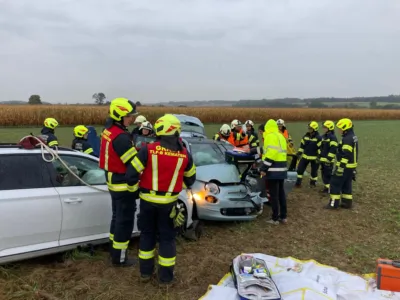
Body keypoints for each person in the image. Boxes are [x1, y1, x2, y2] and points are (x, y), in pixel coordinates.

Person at [126, 114, 196, 284]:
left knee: (147, 235)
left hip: (147, 203)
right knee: (167, 239)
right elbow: (191, 179)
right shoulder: (184, 154)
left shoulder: (148, 149)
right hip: (170, 205)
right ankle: (165, 278)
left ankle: (145, 274)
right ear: (175, 131)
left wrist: (134, 191)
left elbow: (131, 175)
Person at [99, 97, 139, 267]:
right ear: (119, 116)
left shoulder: (109, 130)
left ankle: (113, 251)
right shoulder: (121, 137)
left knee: (117, 218)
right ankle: (120, 258)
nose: (133, 118)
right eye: (130, 115)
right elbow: (134, 163)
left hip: (113, 181)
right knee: (125, 221)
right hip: (123, 185)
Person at [259, 119, 288, 225]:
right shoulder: (280, 136)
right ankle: (283, 216)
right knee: (281, 194)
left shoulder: (270, 136)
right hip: (282, 169)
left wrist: (263, 168)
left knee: (273, 195)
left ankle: (275, 218)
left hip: (273, 170)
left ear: (267, 128)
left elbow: (271, 153)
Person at [326, 118, 358, 209]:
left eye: (340, 128)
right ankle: (347, 203)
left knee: (334, 183)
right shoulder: (352, 136)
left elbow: (346, 155)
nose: (339, 130)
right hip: (351, 167)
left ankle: (333, 204)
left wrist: (340, 168)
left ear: (345, 128)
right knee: (346, 185)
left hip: (344, 166)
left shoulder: (347, 139)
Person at [295, 121, 322, 188]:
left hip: (314, 158)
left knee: (314, 172)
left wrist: (319, 157)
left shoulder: (318, 138)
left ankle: (312, 184)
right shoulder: (305, 136)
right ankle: (298, 183)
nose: (309, 129)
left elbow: (320, 148)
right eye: (309, 128)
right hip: (305, 157)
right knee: (300, 170)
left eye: (310, 128)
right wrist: (299, 153)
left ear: (314, 129)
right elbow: (302, 146)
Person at [319, 120, 338, 194]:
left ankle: (329, 189)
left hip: (328, 161)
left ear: (330, 128)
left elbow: (333, 149)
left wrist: (329, 159)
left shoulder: (332, 137)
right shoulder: (324, 137)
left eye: (325, 127)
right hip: (323, 160)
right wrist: (319, 156)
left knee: (328, 175)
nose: (324, 129)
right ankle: (326, 188)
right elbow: (322, 148)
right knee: (324, 175)